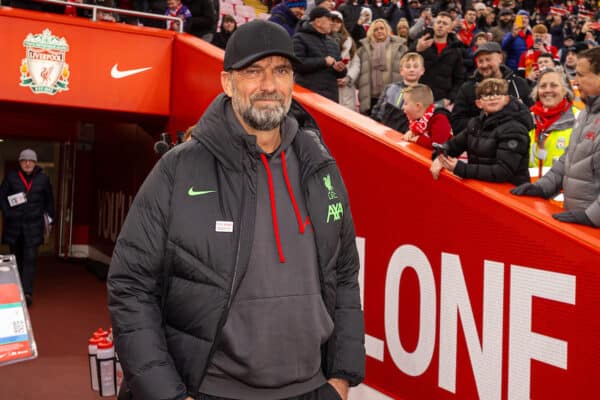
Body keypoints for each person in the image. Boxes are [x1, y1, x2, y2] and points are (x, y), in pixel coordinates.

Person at [108, 20, 365, 400]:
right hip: (213, 391)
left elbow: (344, 272)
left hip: (312, 388)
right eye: (253, 72)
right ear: (227, 83)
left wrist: (341, 377)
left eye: (281, 71)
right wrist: (166, 393)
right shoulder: (178, 170)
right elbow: (130, 287)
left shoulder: (319, 166)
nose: (269, 85)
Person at [511, 47, 600, 228]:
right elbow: (569, 158)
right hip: (576, 226)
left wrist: (592, 217)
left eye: (581, 75)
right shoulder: (586, 114)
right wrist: (543, 187)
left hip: (592, 231)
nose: (576, 81)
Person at [431, 78, 533, 185]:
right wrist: (440, 157)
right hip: (481, 190)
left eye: (498, 93)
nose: (493, 97)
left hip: (509, 196)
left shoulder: (515, 129)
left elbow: (503, 171)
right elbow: (452, 146)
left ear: (506, 99)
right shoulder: (475, 124)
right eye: (488, 95)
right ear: (479, 103)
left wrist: (461, 168)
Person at [0, 149, 55, 307]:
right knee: (16, 260)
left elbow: (49, 201)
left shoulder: (43, 179)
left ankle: (27, 293)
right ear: (20, 163)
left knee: (30, 259)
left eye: (30, 160)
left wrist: (50, 220)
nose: (27, 163)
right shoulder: (11, 177)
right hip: (14, 226)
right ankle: (16, 290)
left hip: (34, 226)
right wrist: (8, 213)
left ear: (35, 162)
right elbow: (1, 197)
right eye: (24, 160)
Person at [451, 41, 532, 134]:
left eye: (488, 59)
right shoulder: (468, 88)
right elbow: (456, 122)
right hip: (478, 144)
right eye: (480, 61)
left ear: (500, 58)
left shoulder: (518, 83)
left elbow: (532, 116)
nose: (484, 65)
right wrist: (485, 124)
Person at [528, 68, 577, 172]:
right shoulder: (528, 118)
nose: (547, 90)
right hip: (532, 184)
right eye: (543, 86)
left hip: (565, 186)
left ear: (564, 90)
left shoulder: (579, 119)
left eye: (554, 85)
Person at [293, 7, 347, 102]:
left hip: (331, 97)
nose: (332, 23)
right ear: (318, 22)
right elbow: (297, 64)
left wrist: (341, 69)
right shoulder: (300, 38)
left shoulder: (333, 43)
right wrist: (323, 62)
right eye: (329, 19)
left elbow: (341, 71)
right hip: (308, 96)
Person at [355, 18, 408, 114]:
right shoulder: (363, 49)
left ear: (387, 30)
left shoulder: (400, 47)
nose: (379, 31)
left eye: (381, 28)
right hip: (370, 96)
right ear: (371, 32)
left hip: (392, 95)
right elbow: (356, 68)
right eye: (376, 29)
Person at [413, 11, 465, 105]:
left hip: (442, 101)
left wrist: (450, 98)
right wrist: (417, 50)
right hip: (419, 98)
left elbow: (459, 79)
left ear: (449, 29)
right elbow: (404, 61)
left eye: (444, 23)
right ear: (433, 25)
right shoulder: (421, 42)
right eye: (438, 22)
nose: (440, 25)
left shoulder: (456, 51)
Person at [370, 51, 425, 133]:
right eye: (408, 67)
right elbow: (377, 110)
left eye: (415, 66)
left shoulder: (424, 94)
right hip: (384, 131)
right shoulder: (390, 88)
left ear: (422, 70)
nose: (412, 70)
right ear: (401, 71)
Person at [401, 83, 453, 149]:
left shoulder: (440, 119)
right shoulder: (417, 119)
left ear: (418, 107)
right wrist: (411, 133)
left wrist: (418, 139)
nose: (402, 107)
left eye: (405, 103)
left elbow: (438, 145)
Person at [330, 10, 360, 110]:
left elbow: (355, 63)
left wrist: (348, 78)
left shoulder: (349, 41)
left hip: (346, 87)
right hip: (329, 85)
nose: (335, 24)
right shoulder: (321, 40)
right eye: (332, 20)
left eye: (338, 21)